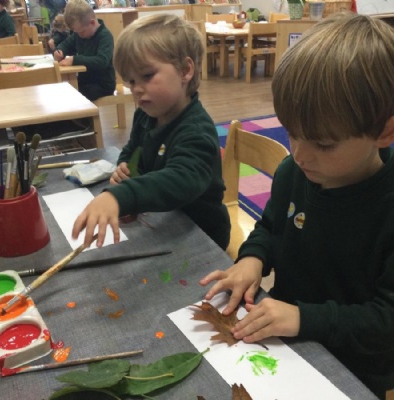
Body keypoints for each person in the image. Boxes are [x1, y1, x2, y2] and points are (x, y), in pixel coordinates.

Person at [199, 12, 394, 400]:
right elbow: (271, 227)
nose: (300, 154)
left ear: (385, 131)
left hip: (353, 366)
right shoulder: (294, 172)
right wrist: (252, 259)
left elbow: (386, 322)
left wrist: (304, 318)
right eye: (291, 133)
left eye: (323, 144)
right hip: (283, 342)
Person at [72, 14, 230, 251]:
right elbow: (133, 149)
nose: (136, 89)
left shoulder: (196, 130)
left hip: (203, 235)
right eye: (131, 81)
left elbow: (180, 180)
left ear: (185, 70)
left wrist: (120, 196)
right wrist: (126, 167)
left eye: (147, 76)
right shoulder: (145, 115)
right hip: (163, 221)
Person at [53, 0, 115, 101]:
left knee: (76, 98)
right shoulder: (79, 34)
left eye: (81, 32)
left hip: (102, 85)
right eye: (76, 32)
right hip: (85, 82)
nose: (79, 35)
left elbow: (101, 61)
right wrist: (59, 51)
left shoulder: (105, 36)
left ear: (92, 23)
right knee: (64, 92)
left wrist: (74, 60)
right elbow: (65, 45)